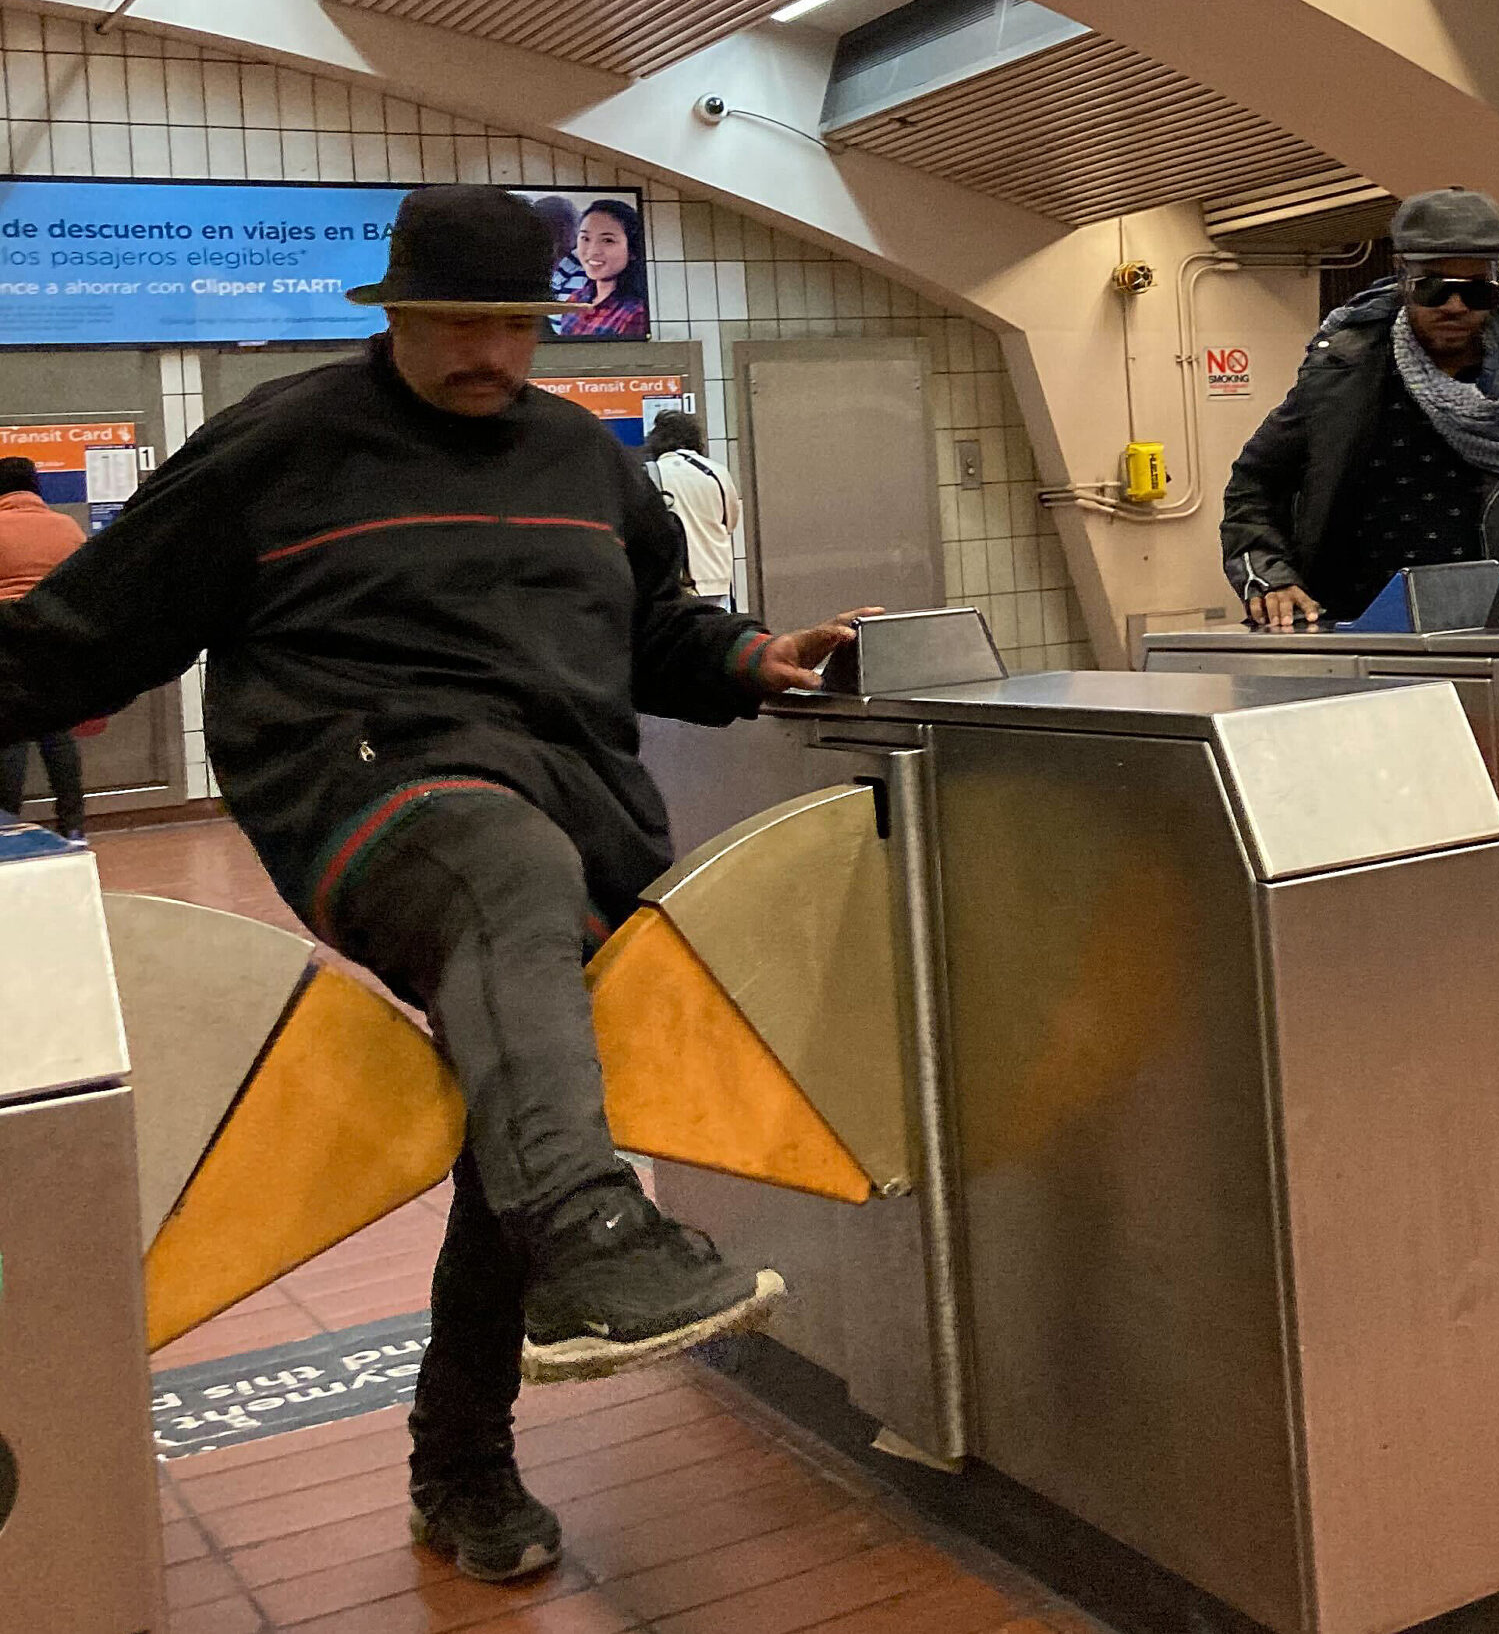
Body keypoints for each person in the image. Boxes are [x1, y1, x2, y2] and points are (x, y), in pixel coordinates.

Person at [0, 186, 874, 1585]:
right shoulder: (278, 447)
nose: (483, 350)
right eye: (449, 321)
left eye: (512, 324)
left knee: (517, 1100)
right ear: (392, 314)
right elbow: (78, 636)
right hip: (354, 755)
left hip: (562, 791)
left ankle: (460, 1458)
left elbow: (647, 625)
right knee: (499, 872)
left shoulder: (583, 459)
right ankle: (597, 1230)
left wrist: (750, 657)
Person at [1222, 188, 1499, 627]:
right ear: (1403, 278)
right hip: (1359, 630)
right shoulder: (1340, 374)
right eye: (1435, 288)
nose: (1455, 307)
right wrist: (1269, 578)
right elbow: (1255, 485)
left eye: (1475, 293)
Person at [0, 456, 88, 842]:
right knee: (57, 733)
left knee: (10, 734)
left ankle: (7, 823)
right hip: (55, 636)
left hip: (5, 636)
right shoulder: (66, 527)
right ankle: (73, 825)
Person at [643, 409, 741, 606]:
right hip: (717, 579)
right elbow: (730, 523)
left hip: (676, 586)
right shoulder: (717, 472)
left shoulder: (651, 474)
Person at [558, 198, 647, 338]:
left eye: (607, 240)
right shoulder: (575, 300)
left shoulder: (637, 313)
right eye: (585, 238)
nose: (592, 251)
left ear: (632, 250)